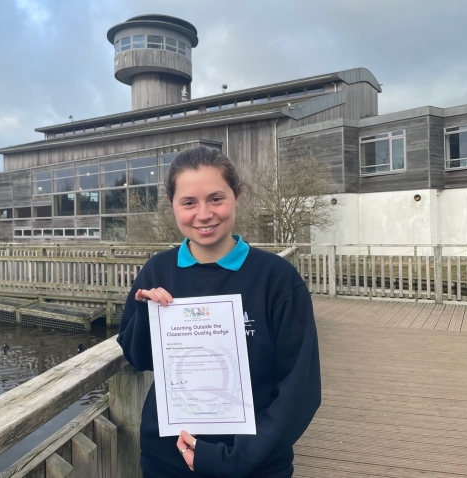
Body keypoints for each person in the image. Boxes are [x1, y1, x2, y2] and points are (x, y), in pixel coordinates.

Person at [117, 146, 321, 478]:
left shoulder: (276, 278)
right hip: (168, 460)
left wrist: (231, 460)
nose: (204, 214)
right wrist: (146, 314)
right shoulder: (158, 271)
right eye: (188, 202)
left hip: (254, 465)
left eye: (216, 199)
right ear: (171, 205)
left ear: (236, 196)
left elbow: (299, 389)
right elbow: (139, 359)